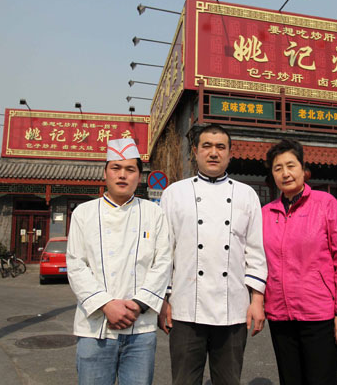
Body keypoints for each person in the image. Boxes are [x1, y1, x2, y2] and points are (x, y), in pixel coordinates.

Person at [158, 124, 267, 385]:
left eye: (220, 147)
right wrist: (164, 300)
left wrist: (257, 300)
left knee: (229, 381)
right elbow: (164, 253)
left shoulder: (246, 195)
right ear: (195, 152)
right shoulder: (174, 193)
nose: (213, 153)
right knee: (184, 381)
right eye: (207, 146)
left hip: (232, 308)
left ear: (230, 154)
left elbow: (255, 252)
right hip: (185, 308)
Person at [66, 138, 172, 385]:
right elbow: (76, 265)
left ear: (139, 176)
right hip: (95, 329)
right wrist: (106, 305)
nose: (122, 175)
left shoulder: (154, 213)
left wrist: (138, 304)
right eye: (116, 168)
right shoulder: (84, 212)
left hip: (140, 329)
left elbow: (163, 262)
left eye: (130, 169)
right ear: (105, 173)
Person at [262, 139, 337, 385]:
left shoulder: (325, 204)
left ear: (303, 168)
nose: (285, 173)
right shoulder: (266, 214)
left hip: (320, 316)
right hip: (280, 316)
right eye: (278, 168)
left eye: (291, 165)